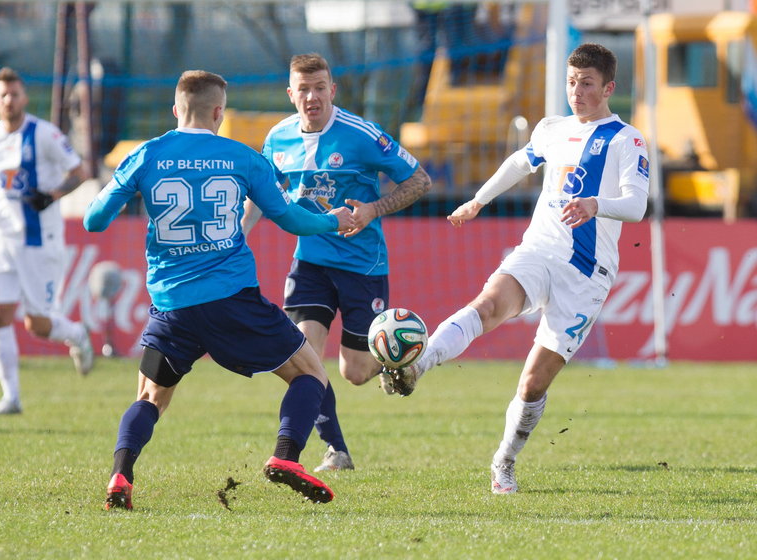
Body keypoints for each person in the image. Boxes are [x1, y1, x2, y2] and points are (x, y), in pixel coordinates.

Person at [84, 70, 355, 510]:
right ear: (218, 112)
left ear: (176, 110)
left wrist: (124, 186)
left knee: (150, 398)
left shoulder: (146, 155)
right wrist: (333, 220)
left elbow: (94, 220)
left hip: (172, 307)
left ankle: (121, 474)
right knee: (311, 374)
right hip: (233, 301)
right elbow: (290, 220)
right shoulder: (241, 157)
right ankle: (286, 458)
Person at [386, 43, 650, 494]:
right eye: (571, 82)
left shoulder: (628, 140)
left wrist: (595, 204)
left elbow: (638, 206)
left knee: (532, 382)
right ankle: (418, 365)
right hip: (539, 249)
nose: (576, 91)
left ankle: (504, 460)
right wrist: (477, 201)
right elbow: (518, 163)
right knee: (488, 305)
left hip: (587, 273)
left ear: (608, 88)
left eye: (586, 83)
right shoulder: (551, 129)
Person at [242, 53, 432, 472]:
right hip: (309, 262)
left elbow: (420, 179)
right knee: (304, 358)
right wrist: (237, 237)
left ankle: (394, 358)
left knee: (355, 372)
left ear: (333, 90)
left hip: (363, 265)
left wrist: (373, 210)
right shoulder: (277, 139)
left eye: (320, 87)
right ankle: (336, 449)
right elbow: (260, 193)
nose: (312, 97)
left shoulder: (361, 135)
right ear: (291, 94)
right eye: (303, 89)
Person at [0, 67, 95, 418]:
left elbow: (81, 173)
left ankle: (77, 334)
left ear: (24, 98)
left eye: (15, 94)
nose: (10, 100)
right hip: (1, 239)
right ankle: (11, 397)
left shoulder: (45, 134)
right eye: (3, 94)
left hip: (39, 240)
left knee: (38, 325)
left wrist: (52, 196)